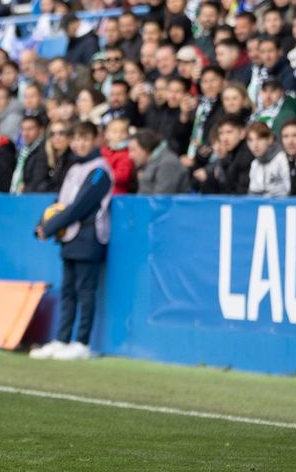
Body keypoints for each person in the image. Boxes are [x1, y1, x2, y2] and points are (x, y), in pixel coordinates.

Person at [34, 121, 112, 360]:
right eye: (76, 139)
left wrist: (50, 228)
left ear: (96, 139)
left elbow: (80, 206)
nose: (79, 143)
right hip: (69, 237)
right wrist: (42, 223)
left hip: (89, 237)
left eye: (85, 138)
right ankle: (62, 338)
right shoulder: (74, 167)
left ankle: (82, 342)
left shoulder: (99, 171)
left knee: (85, 290)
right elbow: (60, 203)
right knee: (67, 290)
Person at [130, 129, 190, 195]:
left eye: (133, 150)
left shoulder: (168, 164)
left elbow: (162, 200)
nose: (130, 156)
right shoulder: (151, 163)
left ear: (145, 148)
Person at [247, 122, 290, 197]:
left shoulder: (282, 159)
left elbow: (290, 190)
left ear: (270, 139)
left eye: (259, 139)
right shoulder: (255, 164)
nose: (255, 144)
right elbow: (253, 193)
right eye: (250, 140)